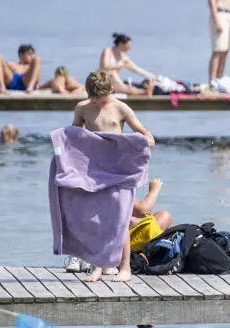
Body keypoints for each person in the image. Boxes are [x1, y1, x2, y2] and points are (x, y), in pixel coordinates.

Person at [73, 71, 156, 282]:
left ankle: (125, 267)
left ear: (111, 91)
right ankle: (98, 266)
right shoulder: (82, 108)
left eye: (103, 100)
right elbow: (73, 137)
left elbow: (145, 134)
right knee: (97, 220)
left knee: (121, 218)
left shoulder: (120, 107)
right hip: (95, 172)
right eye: (95, 100)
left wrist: (145, 142)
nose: (100, 105)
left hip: (119, 171)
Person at [129, 178, 172, 253]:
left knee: (159, 216)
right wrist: (154, 190)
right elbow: (142, 210)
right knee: (165, 217)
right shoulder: (115, 186)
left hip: (112, 236)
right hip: (121, 243)